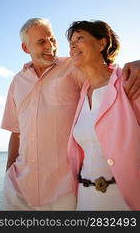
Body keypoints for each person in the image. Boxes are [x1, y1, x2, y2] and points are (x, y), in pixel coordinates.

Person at [1, 17, 140, 211]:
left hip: (62, 191)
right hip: (18, 187)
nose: (50, 45)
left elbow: (106, 74)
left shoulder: (74, 66)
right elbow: (16, 132)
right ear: (26, 48)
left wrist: (136, 64)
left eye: (52, 39)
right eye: (41, 42)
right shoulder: (17, 81)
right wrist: (8, 173)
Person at [67, 20, 140, 211]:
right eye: (71, 42)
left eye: (80, 38)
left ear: (102, 43)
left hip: (124, 202)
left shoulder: (129, 82)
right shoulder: (82, 95)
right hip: (84, 201)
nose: (73, 45)